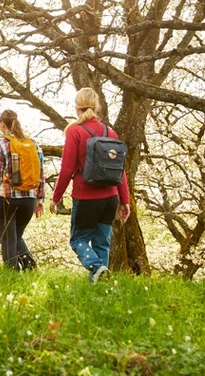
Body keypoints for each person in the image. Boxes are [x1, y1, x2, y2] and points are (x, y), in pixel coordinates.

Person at [49, 88, 131, 283]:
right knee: (102, 243)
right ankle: (100, 286)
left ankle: (96, 266)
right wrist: (125, 200)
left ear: (77, 107)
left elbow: (67, 169)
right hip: (110, 197)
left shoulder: (74, 132)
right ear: (97, 106)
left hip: (86, 196)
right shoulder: (110, 132)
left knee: (78, 240)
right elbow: (120, 169)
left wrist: (56, 197)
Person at [0, 110, 45, 271]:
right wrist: (39, 200)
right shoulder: (33, 144)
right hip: (29, 200)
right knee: (16, 237)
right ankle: (30, 267)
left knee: (8, 239)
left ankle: (12, 275)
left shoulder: (0, 144)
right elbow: (40, 174)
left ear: (2, 124)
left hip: (6, 199)